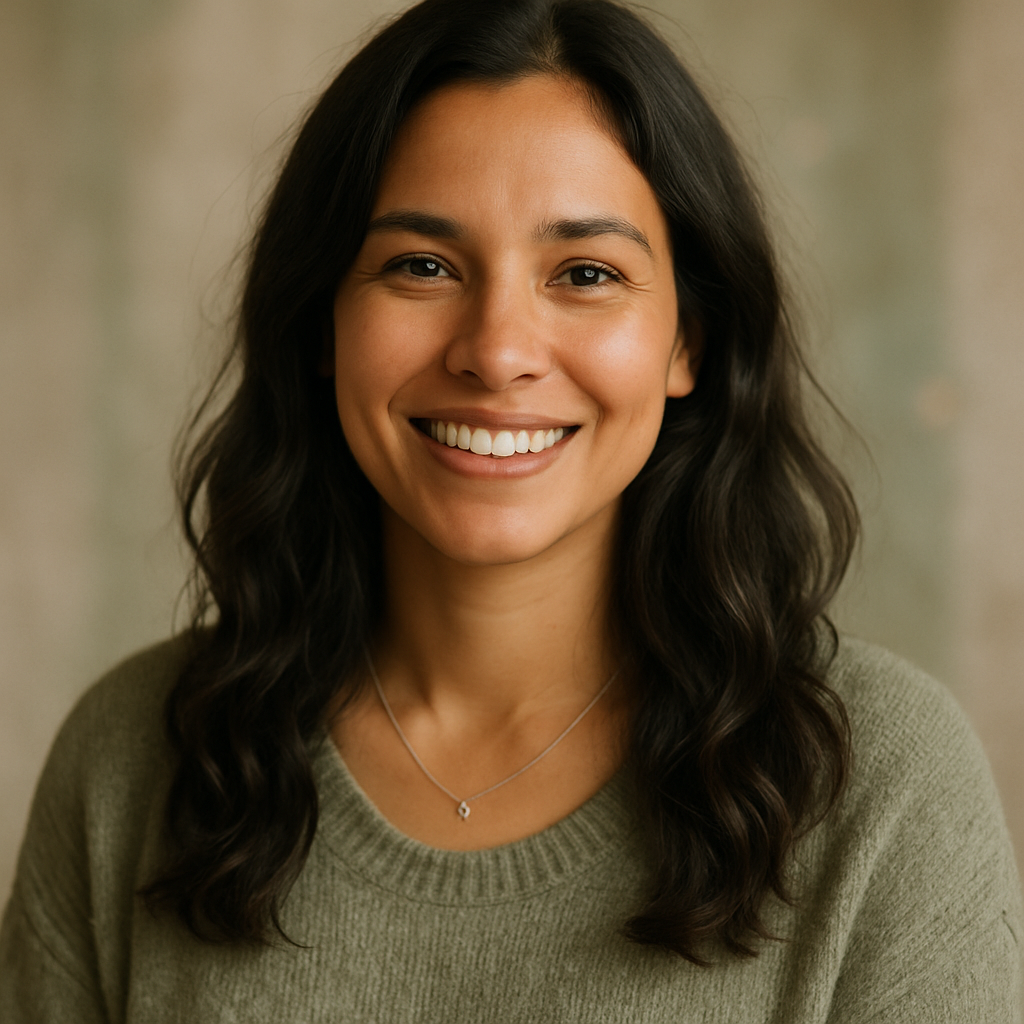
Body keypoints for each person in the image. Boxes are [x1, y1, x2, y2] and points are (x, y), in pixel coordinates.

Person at [1, 0, 1020, 1020]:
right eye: (422, 266)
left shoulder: (883, 788)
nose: (496, 352)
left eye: (586, 273)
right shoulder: (130, 760)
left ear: (687, 342)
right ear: (322, 323)